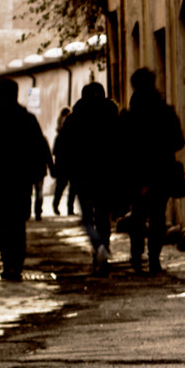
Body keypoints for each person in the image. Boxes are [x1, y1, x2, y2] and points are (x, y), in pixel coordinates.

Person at [0, 78, 52, 280]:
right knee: (18, 223)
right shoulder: (27, 119)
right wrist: (42, 171)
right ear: (16, 94)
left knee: (3, 224)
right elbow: (39, 146)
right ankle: (17, 264)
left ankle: (8, 263)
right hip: (21, 180)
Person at [119, 68, 185, 275]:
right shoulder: (165, 111)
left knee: (138, 216)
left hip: (137, 173)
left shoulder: (130, 115)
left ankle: (137, 257)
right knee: (158, 217)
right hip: (161, 171)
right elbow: (179, 141)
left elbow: (120, 146)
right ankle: (154, 259)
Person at [55, 82, 121, 274]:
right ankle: (104, 247)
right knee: (103, 216)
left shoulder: (74, 119)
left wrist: (64, 173)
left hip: (82, 176)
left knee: (87, 218)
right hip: (105, 175)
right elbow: (119, 145)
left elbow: (64, 148)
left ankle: (98, 246)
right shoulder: (111, 115)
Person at [51, 106, 76, 216]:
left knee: (63, 187)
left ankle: (58, 205)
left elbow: (55, 152)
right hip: (68, 163)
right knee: (69, 187)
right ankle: (67, 208)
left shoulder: (60, 136)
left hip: (63, 163)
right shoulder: (68, 135)